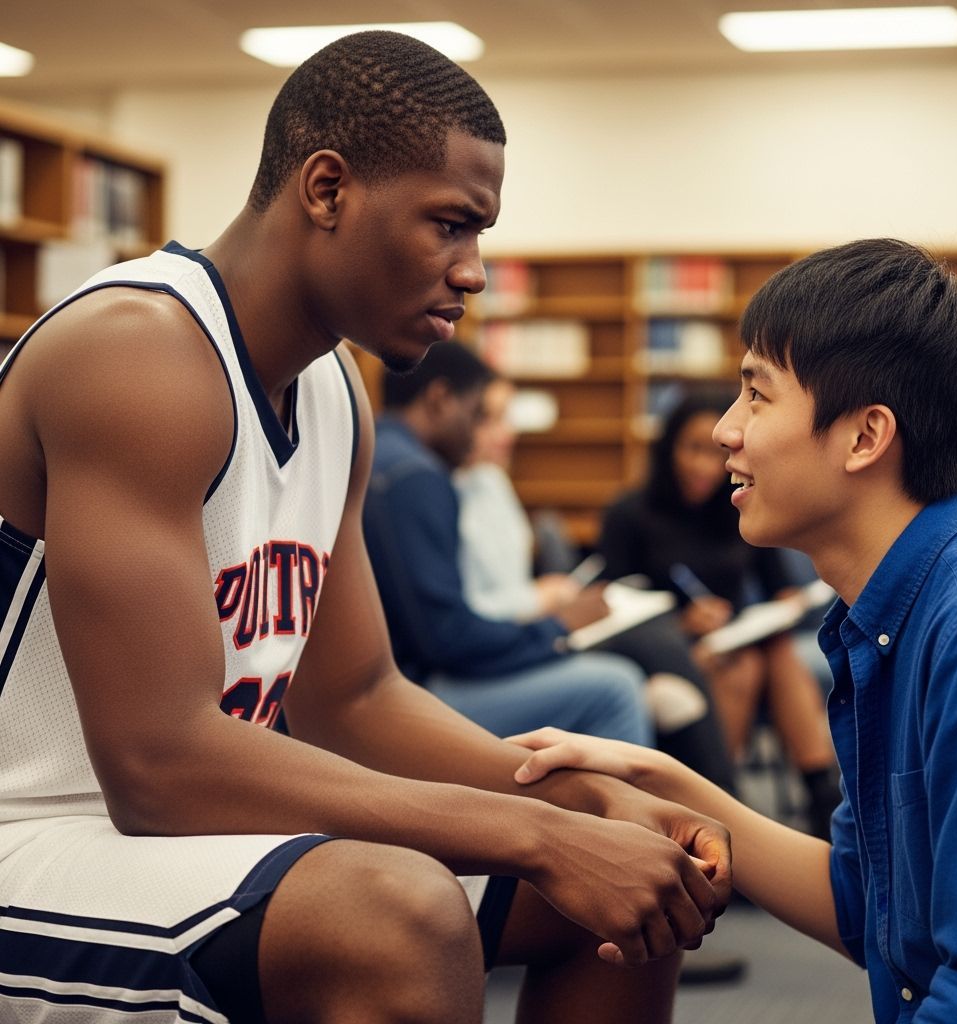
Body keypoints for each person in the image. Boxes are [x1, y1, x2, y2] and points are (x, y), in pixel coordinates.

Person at [0, 31, 731, 1024]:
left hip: (180, 832)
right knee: (402, 913)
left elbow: (357, 696)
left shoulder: (337, 390)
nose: (472, 272)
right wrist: (530, 835)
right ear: (328, 188)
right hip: (40, 829)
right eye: (449, 226)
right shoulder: (138, 354)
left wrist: (583, 808)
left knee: (631, 876)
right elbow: (159, 765)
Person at [508, 238, 957, 1023]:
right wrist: (659, 781)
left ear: (864, 437)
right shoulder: (888, 616)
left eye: (756, 395)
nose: (724, 431)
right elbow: (867, 908)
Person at [456, 372, 738, 795]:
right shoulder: (442, 491)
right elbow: (465, 611)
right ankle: (723, 803)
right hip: (518, 639)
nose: (507, 432)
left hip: (533, 629)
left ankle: (706, 811)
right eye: (491, 418)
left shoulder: (493, 483)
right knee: (654, 642)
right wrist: (541, 598)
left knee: (681, 679)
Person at [364, 340, 655, 746]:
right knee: (617, 688)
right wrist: (556, 629)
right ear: (441, 399)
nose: (477, 430)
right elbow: (447, 639)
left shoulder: (377, 451)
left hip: (391, 680)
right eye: (477, 413)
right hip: (413, 692)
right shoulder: (415, 477)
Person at [599, 388, 840, 836]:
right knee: (751, 663)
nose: (704, 467)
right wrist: (680, 623)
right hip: (664, 650)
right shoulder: (630, 513)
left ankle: (755, 809)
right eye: (691, 449)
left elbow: (777, 587)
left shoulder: (736, 506)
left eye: (714, 454)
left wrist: (785, 605)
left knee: (767, 651)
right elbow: (612, 605)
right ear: (668, 446)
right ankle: (741, 804)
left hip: (733, 642)